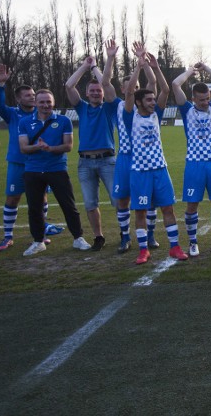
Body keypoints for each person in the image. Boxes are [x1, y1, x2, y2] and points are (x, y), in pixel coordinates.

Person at [123, 45, 188, 264]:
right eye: (148, 100)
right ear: (140, 102)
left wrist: (156, 67)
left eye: (153, 100)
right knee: (140, 212)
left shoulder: (155, 115)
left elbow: (166, 91)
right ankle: (143, 250)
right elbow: (130, 92)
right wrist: (138, 67)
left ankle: (175, 247)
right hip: (140, 172)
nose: (153, 102)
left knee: (168, 208)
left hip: (160, 169)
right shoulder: (130, 116)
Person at [0, 65, 60, 251]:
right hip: (18, 163)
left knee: (41, 199)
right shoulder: (13, 114)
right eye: (28, 95)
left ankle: (41, 232)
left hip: (39, 163)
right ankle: (7, 236)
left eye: (33, 94)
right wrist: (0, 84)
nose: (32, 97)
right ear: (19, 99)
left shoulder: (42, 113)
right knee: (12, 198)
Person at [18, 89, 91, 256]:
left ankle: (78, 238)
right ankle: (38, 241)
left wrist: (50, 148)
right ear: (36, 103)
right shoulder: (25, 122)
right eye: (42, 102)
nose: (45, 105)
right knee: (34, 208)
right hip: (33, 170)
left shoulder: (64, 121)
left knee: (68, 205)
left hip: (57, 168)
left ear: (54, 103)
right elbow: (23, 147)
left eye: (48, 102)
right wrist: (37, 147)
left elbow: (68, 146)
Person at [104, 44, 161, 253]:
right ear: (123, 89)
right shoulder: (117, 105)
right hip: (126, 158)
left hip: (146, 158)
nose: (133, 91)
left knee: (150, 199)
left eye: (136, 88)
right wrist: (110, 58)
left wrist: (144, 63)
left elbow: (154, 82)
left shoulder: (147, 106)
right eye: (130, 88)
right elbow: (105, 82)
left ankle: (151, 234)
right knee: (123, 199)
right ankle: (125, 236)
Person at [171, 62, 211, 255]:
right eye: (201, 100)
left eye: (207, 99)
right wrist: (191, 71)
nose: (204, 102)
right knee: (192, 204)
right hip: (194, 163)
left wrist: (206, 68)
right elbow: (175, 85)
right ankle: (193, 242)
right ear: (193, 98)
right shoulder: (187, 109)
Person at [65, 52, 118, 251]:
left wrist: (96, 67)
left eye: (99, 90)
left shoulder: (109, 108)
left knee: (117, 199)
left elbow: (107, 83)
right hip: (85, 163)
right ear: (87, 94)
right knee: (90, 203)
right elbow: (69, 86)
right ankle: (98, 237)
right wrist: (85, 66)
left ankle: (124, 232)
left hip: (107, 161)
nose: (96, 93)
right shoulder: (82, 108)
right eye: (92, 91)